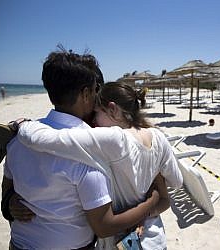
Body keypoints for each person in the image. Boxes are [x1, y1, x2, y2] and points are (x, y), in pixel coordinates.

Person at [2, 50, 161, 249]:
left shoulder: (18, 139)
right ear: (86, 94)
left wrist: (8, 202)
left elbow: (7, 185)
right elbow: (103, 226)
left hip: (17, 244)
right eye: (96, 90)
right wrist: (150, 204)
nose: (98, 97)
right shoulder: (90, 153)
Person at [14, 82, 183, 249]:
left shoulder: (115, 139)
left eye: (97, 112)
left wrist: (21, 125)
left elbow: (47, 140)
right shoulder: (158, 137)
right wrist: (149, 204)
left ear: (112, 109)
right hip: (154, 239)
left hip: (120, 243)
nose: (94, 120)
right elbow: (177, 182)